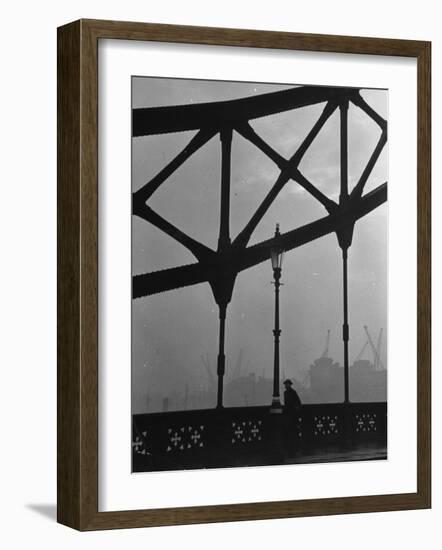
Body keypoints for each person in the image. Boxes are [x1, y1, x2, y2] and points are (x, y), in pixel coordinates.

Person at [282, 379, 302, 454]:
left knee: (293, 430)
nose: (286, 386)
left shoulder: (292, 392)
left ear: (289, 385)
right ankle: (292, 445)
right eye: (286, 384)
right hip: (289, 414)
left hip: (292, 414)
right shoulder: (286, 393)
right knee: (291, 430)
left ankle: (294, 445)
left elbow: (298, 402)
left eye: (287, 384)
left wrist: (295, 409)